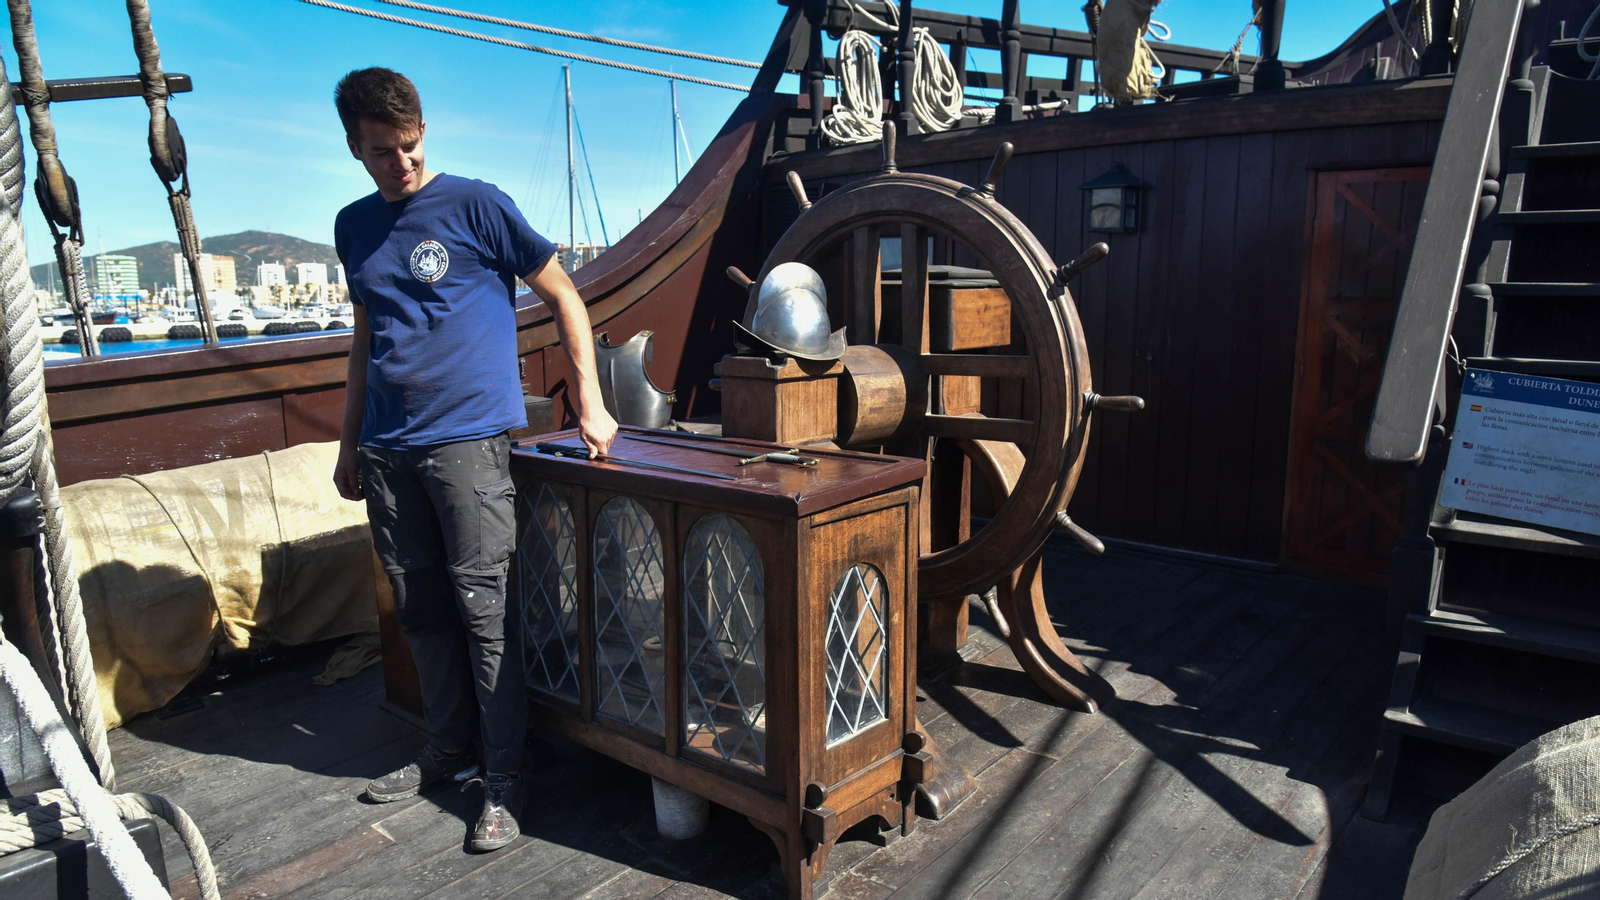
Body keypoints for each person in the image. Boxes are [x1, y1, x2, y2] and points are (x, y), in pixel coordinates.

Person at [329, 67, 616, 852]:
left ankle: (504, 780)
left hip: (467, 445)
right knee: (421, 610)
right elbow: (365, 344)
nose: (404, 163)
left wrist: (590, 402)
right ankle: (445, 751)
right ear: (355, 146)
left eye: (412, 146)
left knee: (486, 614)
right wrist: (349, 441)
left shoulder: (478, 205)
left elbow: (564, 294)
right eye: (385, 151)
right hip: (388, 453)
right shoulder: (353, 227)